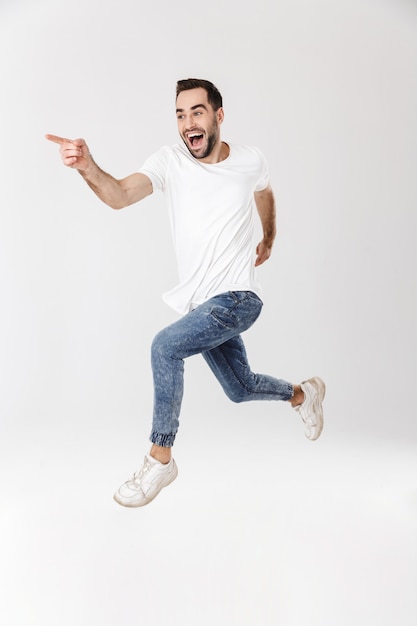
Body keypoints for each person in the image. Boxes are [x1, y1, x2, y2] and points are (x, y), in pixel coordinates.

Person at [46, 78, 325, 508]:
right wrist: (87, 166)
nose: (187, 123)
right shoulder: (170, 161)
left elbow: (264, 191)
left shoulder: (250, 159)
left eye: (197, 111)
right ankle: (304, 393)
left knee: (164, 347)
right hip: (204, 305)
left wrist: (269, 237)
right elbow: (119, 195)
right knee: (239, 387)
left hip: (238, 298)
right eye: (179, 114)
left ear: (218, 115)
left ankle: (160, 458)